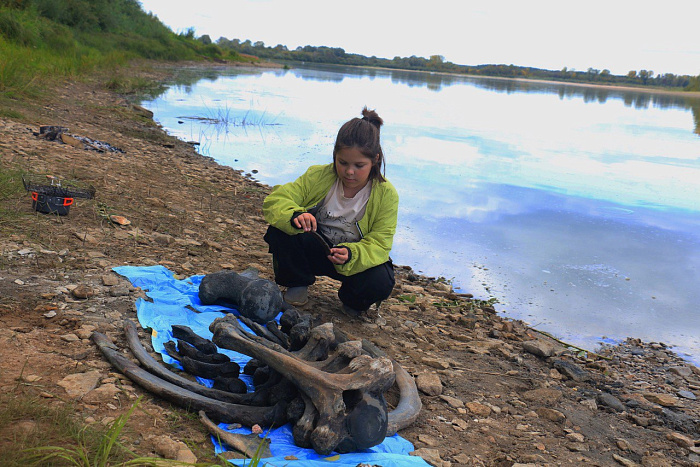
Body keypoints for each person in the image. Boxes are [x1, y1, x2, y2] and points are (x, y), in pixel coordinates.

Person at [262, 107, 398, 317]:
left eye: (359, 165)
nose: (349, 171)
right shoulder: (318, 175)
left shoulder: (386, 194)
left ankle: (352, 301)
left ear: (375, 160)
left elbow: (381, 243)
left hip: (351, 259)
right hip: (317, 248)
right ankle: (297, 282)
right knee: (283, 229)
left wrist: (352, 254)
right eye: (342, 162)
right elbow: (276, 200)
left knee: (381, 279)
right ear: (335, 155)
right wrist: (296, 214)